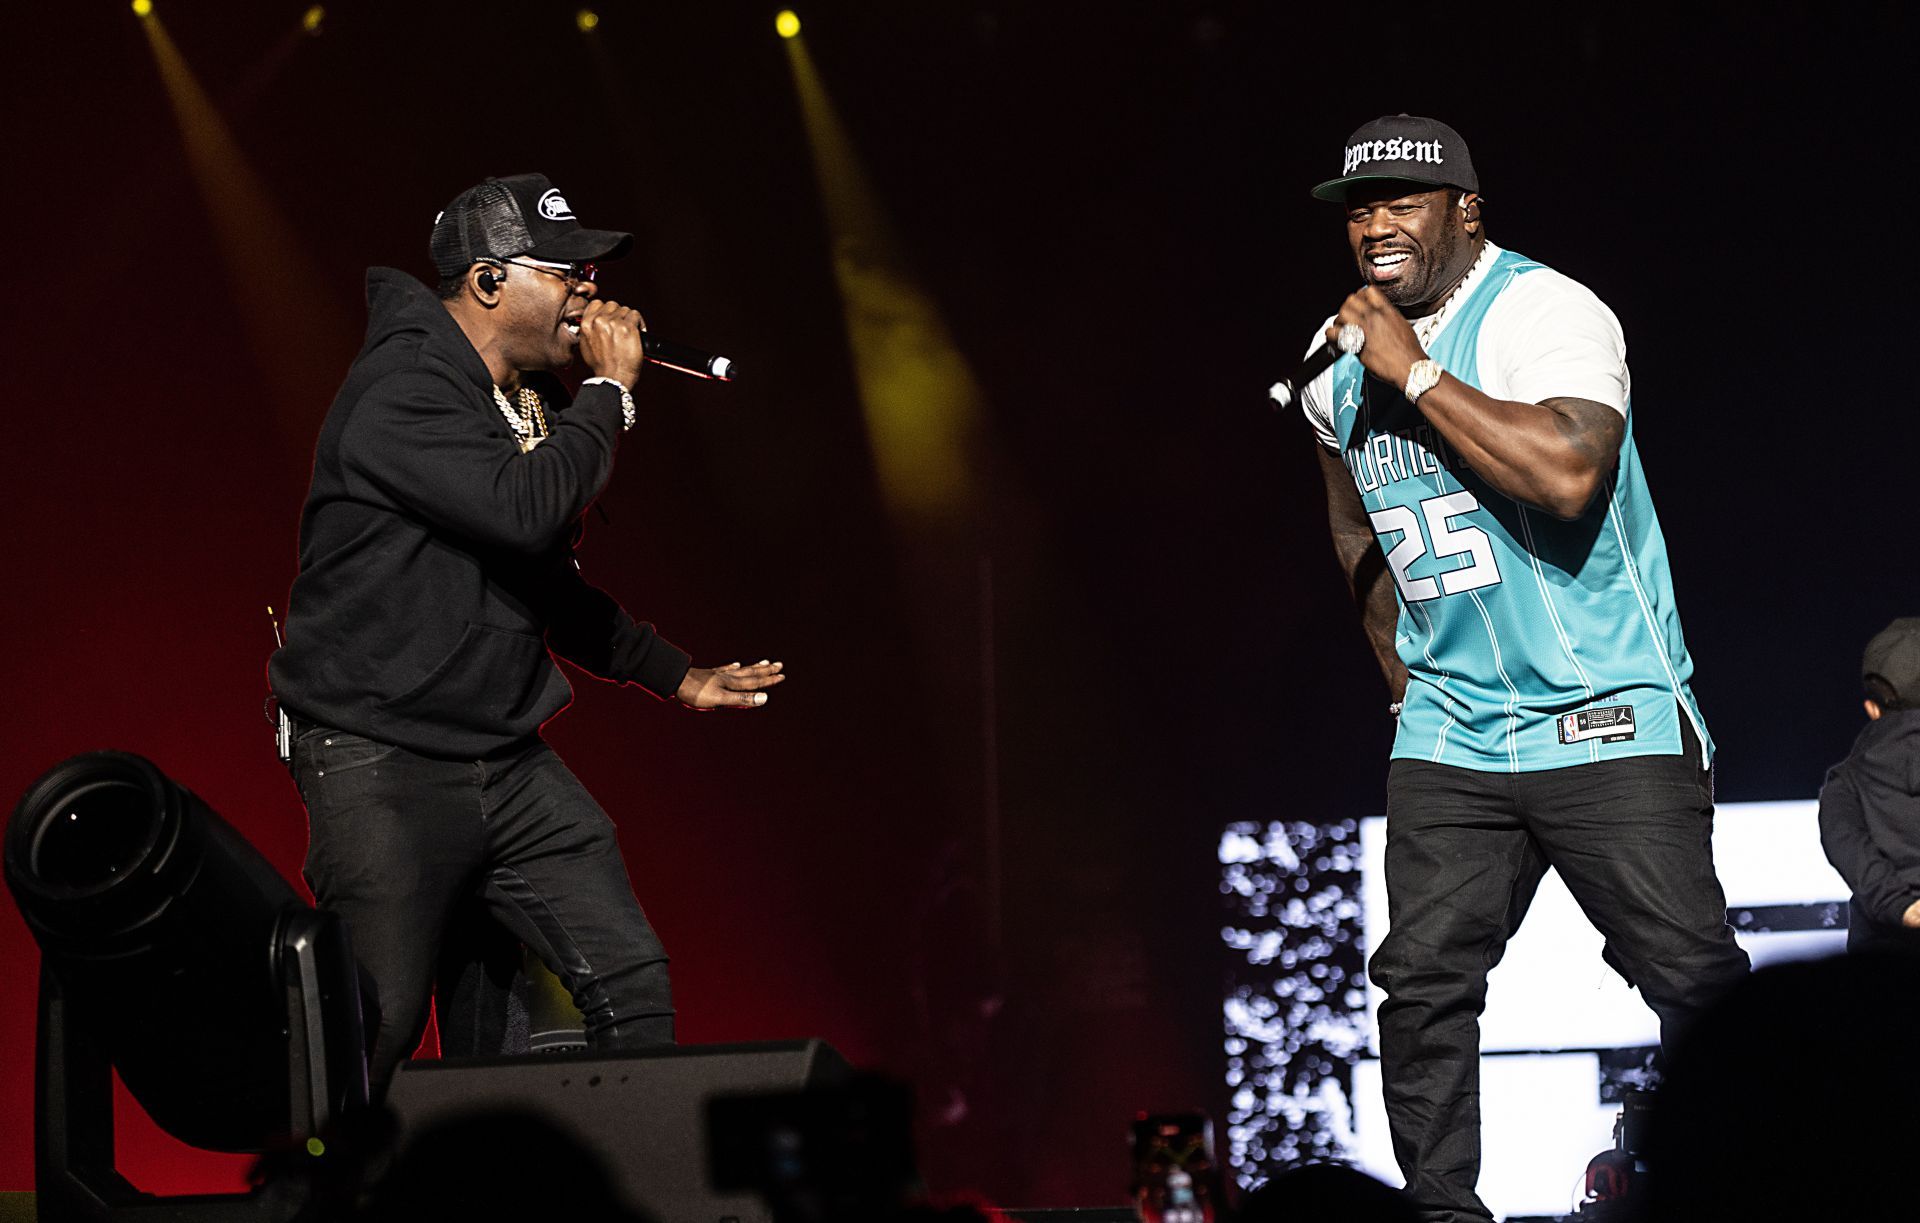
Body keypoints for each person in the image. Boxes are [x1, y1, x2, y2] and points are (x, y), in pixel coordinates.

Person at [1291, 115, 1749, 1222]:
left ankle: (1766, 1181)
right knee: (1420, 984)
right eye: (1360, 208)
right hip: (1453, 727)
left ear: (1467, 210)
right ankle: (1444, 1213)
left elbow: (1568, 473)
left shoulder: (1548, 310)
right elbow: (1356, 529)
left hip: (1606, 709)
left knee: (1693, 982)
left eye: (1404, 201)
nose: (1376, 226)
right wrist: (1408, 685)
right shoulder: (1332, 361)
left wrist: (1415, 369)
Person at [268, 173, 785, 1097]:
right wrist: (612, 395)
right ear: (490, 282)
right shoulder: (401, 389)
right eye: (569, 271)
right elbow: (526, 511)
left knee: (627, 977)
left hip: (499, 757)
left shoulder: (512, 397)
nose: (589, 292)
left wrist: (675, 675)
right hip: (380, 755)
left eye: (590, 274)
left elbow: (537, 579)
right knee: (369, 1032)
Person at [1817, 617, 1920, 954]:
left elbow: (1846, 845)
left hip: (1885, 958)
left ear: (1872, 709)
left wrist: (1900, 906)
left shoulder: (1846, 782)